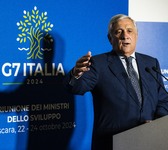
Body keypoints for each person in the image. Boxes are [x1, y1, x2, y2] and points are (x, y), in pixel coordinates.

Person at [64, 14, 168, 150]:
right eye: (119, 32)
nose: (125, 36)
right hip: (113, 143)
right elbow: (78, 88)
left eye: (130, 31)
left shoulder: (150, 63)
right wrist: (76, 74)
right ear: (110, 38)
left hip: (148, 141)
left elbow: (163, 100)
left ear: (137, 35)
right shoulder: (98, 64)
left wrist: (155, 124)